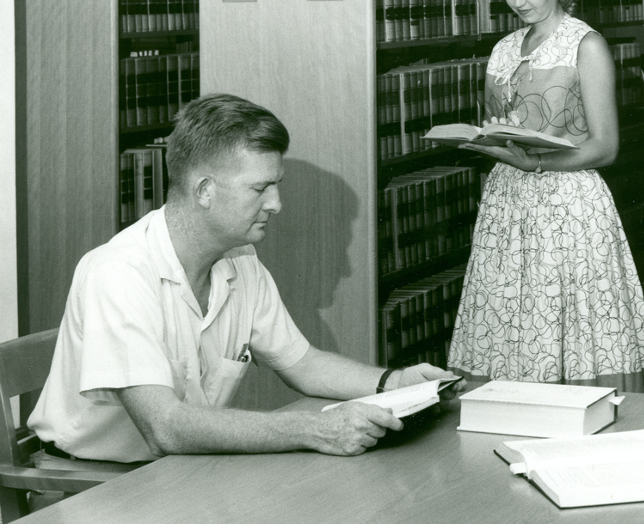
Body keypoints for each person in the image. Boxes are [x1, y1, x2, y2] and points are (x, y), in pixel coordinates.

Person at [28, 93, 465, 466]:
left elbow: (304, 365)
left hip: (184, 468)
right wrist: (313, 428)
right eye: (260, 189)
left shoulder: (241, 260)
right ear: (204, 191)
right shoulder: (118, 273)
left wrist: (395, 382)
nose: (276, 204)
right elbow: (165, 427)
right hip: (96, 482)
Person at [446, 0, 644, 393]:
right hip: (507, 203)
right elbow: (504, 122)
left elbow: (605, 147)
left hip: (570, 207)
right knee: (510, 317)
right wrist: (487, 142)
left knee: (570, 322)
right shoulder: (504, 48)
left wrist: (537, 165)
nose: (518, 1)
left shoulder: (586, 46)